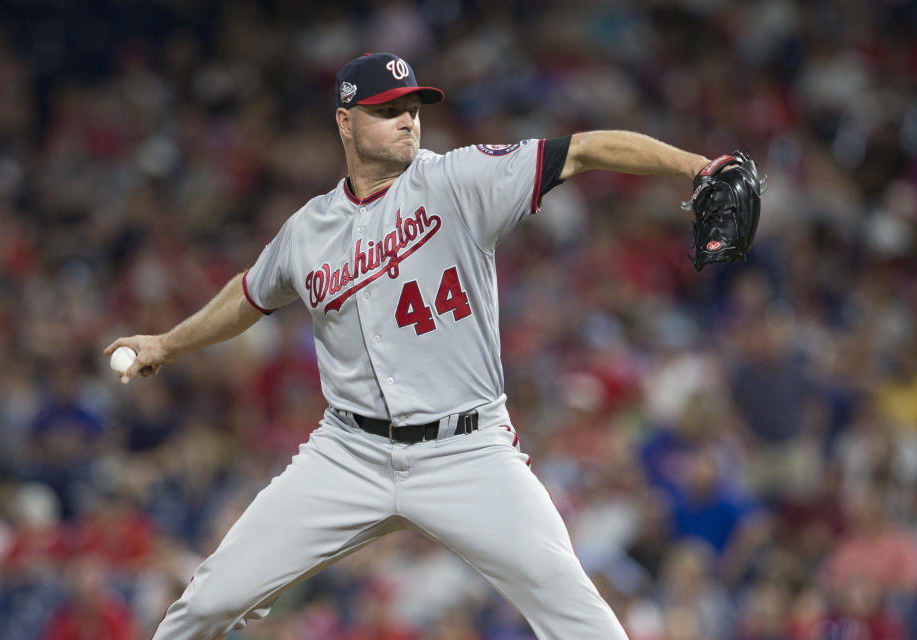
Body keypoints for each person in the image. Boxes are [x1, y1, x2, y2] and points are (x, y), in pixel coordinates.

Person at [105, 52, 711, 639]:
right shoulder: (308, 229)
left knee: (573, 609)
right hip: (349, 453)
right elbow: (250, 295)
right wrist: (167, 343)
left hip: (468, 451)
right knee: (208, 602)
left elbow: (582, 151)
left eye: (414, 107)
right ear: (345, 122)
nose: (407, 120)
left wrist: (696, 167)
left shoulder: (458, 178)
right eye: (386, 108)